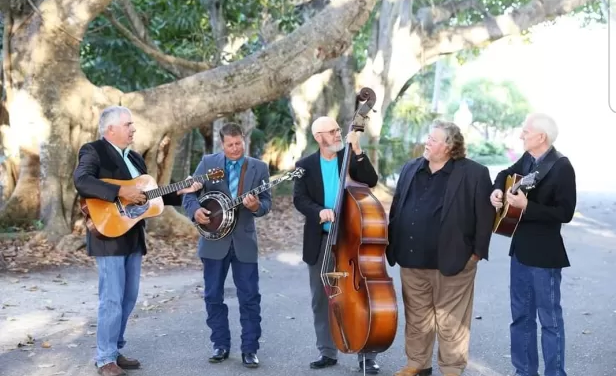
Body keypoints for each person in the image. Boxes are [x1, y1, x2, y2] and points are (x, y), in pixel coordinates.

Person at [73, 106, 202, 376]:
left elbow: (152, 197)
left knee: (129, 297)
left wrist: (182, 190)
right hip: (107, 233)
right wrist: (121, 190)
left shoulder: (136, 158)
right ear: (111, 129)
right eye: (128, 124)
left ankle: (115, 349)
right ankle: (104, 358)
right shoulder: (93, 150)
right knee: (111, 298)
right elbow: (82, 181)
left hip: (132, 235)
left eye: (133, 124)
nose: (133, 129)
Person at [387, 119, 494, 376]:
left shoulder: (474, 173)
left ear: (450, 146)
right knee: (417, 318)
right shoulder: (411, 168)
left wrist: (475, 255)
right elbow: (397, 206)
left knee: (452, 322)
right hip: (411, 260)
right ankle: (417, 364)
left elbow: (485, 215)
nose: (427, 142)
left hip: (454, 261)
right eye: (428, 137)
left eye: (434, 139)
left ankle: (451, 369)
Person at [292, 116, 380, 374]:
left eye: (338, 130)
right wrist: (319, 211)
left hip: (352, 240)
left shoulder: (349, 156)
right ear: (318, 137)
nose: (337, 135)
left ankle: (367, 354)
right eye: (331, 132)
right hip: (320, 240)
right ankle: (327, 351)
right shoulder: (305, 165)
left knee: (360, 297)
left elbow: (371, 180)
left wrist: (358, 150)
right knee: (322, 299)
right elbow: (299, 199)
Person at [490, 113, 576, 376]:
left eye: (525, 132)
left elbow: (565, 213)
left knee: (550, 322)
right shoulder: (528, 158)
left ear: (541, 137)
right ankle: (524, 372)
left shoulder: (561, 166)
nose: (521, 135)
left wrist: (528, 206)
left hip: (545, 257)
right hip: (520, 252)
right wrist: (496, 189)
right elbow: (506, 173)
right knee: (521, 319)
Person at [182, 122, 272, 369]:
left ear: (243, 139)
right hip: (213, 242)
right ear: (222, 143)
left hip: (244, 242)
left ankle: (250, 349)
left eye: (238, 143)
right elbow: (190, 194)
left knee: (250, 297)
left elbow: (266, 203)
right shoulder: (208, 163)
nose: (235, 149)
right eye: (230, 145)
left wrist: (256, 207)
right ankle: (220, 345)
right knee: (212, 296)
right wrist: (195, 210)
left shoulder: (259, 168)